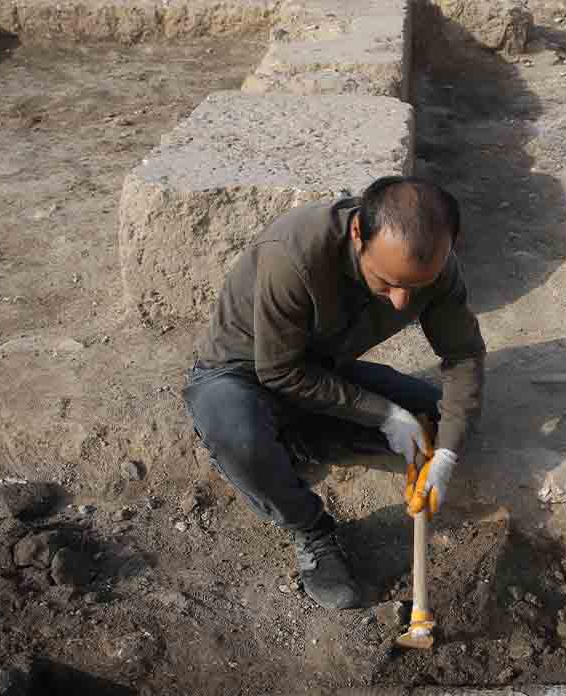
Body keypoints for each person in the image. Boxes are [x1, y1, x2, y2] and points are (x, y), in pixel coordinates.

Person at [183, 176, 486, 609]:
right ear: (358, 234)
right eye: (386, 282)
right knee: (237, 431)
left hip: (322, 374)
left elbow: (464, 357)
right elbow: (280, 370)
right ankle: (311, 531)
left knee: (435, 424)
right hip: (241, 376)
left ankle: (296, 441)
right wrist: (383, 415)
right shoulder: (294, 254)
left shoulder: (434, 266)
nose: (401, 302)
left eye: (415, 287)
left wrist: (448, 453)